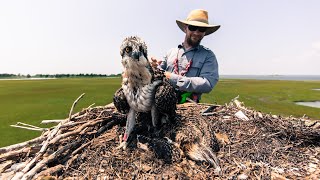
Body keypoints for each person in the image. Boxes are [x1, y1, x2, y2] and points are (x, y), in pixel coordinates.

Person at [151, 9, 220, 103]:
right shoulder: (170, 52)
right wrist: (153, 67)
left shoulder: (208, 56)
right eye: (192, 27)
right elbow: (158, 74)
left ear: (205, 32)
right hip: (162, 102)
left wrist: (173, 79)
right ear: (185, 28)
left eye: (201, 29)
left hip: (189, 106)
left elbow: (207, 84)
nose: (196, 32)